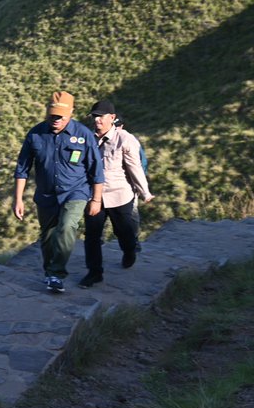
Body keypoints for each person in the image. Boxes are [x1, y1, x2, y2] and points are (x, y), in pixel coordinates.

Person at [13, 91, 104, 293]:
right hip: (46, 194)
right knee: (48, 236)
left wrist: (96, 199)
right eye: (52, 115)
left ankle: (57, 272)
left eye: (60, 117)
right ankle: (50, 273)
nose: (55, 120)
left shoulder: (83, 135)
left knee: (67, 227)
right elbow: (22, 168)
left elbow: (96, 170)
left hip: (76, 192)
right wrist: (18, 199)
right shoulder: (35, 134)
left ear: (71, 113)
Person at [79, 100, 154, 287]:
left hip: (120, 195)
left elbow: (134, 168)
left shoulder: (125, 139)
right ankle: (94, 272)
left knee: (124, 232)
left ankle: (129, 252)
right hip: (94, 197)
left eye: (101, 116)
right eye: (94, 116)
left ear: (112, 118)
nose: (97, 120)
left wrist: (145, 192)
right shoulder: (88, 138)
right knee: (92, 235)